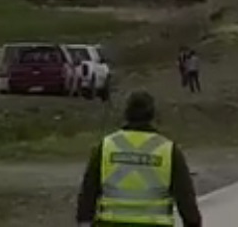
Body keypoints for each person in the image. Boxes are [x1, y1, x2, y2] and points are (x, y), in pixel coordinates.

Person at [76, 90, 202, 227]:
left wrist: (84, 221)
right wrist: (193, 222)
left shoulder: (106, 147)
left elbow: (88, 192)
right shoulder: (169, 150)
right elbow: (186, 198)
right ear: (152, 115)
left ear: (126, 114)